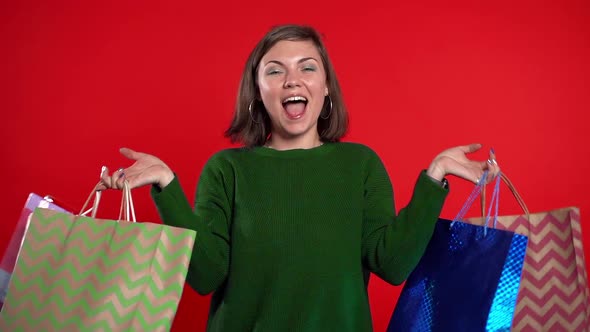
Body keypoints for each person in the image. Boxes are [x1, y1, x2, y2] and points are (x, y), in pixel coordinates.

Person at [99, 24, 499, 332]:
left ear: (325, 88)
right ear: (258, 92)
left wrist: (435, 178)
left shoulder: (360, 164)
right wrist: (166, 186)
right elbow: (205, 276)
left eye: (307, 68)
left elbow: (392, 264)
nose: (293, 79)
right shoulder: (227, 169)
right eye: (275, 71)